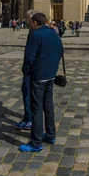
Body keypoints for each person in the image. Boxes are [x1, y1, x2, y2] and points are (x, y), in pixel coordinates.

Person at [20, 12, 63, 153]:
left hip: (38, 76)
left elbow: (29, 57)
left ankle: (36, 142)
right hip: (51, 75)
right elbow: (61, 51)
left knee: (36, 109)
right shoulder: (55, 34)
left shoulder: (35, 35)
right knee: (48, 106)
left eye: (30, 22)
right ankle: (50, 135)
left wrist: (26, 71)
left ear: (34, 22)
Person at [14, 10, 37, 131]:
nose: (26, 21)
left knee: (28, 93)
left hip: (31, 70)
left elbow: (31, 54)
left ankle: (29, 119)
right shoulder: (34, 31)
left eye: (28, 19)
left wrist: (26, 68)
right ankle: (28, 117)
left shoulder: (34, 33)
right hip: (36, 69)